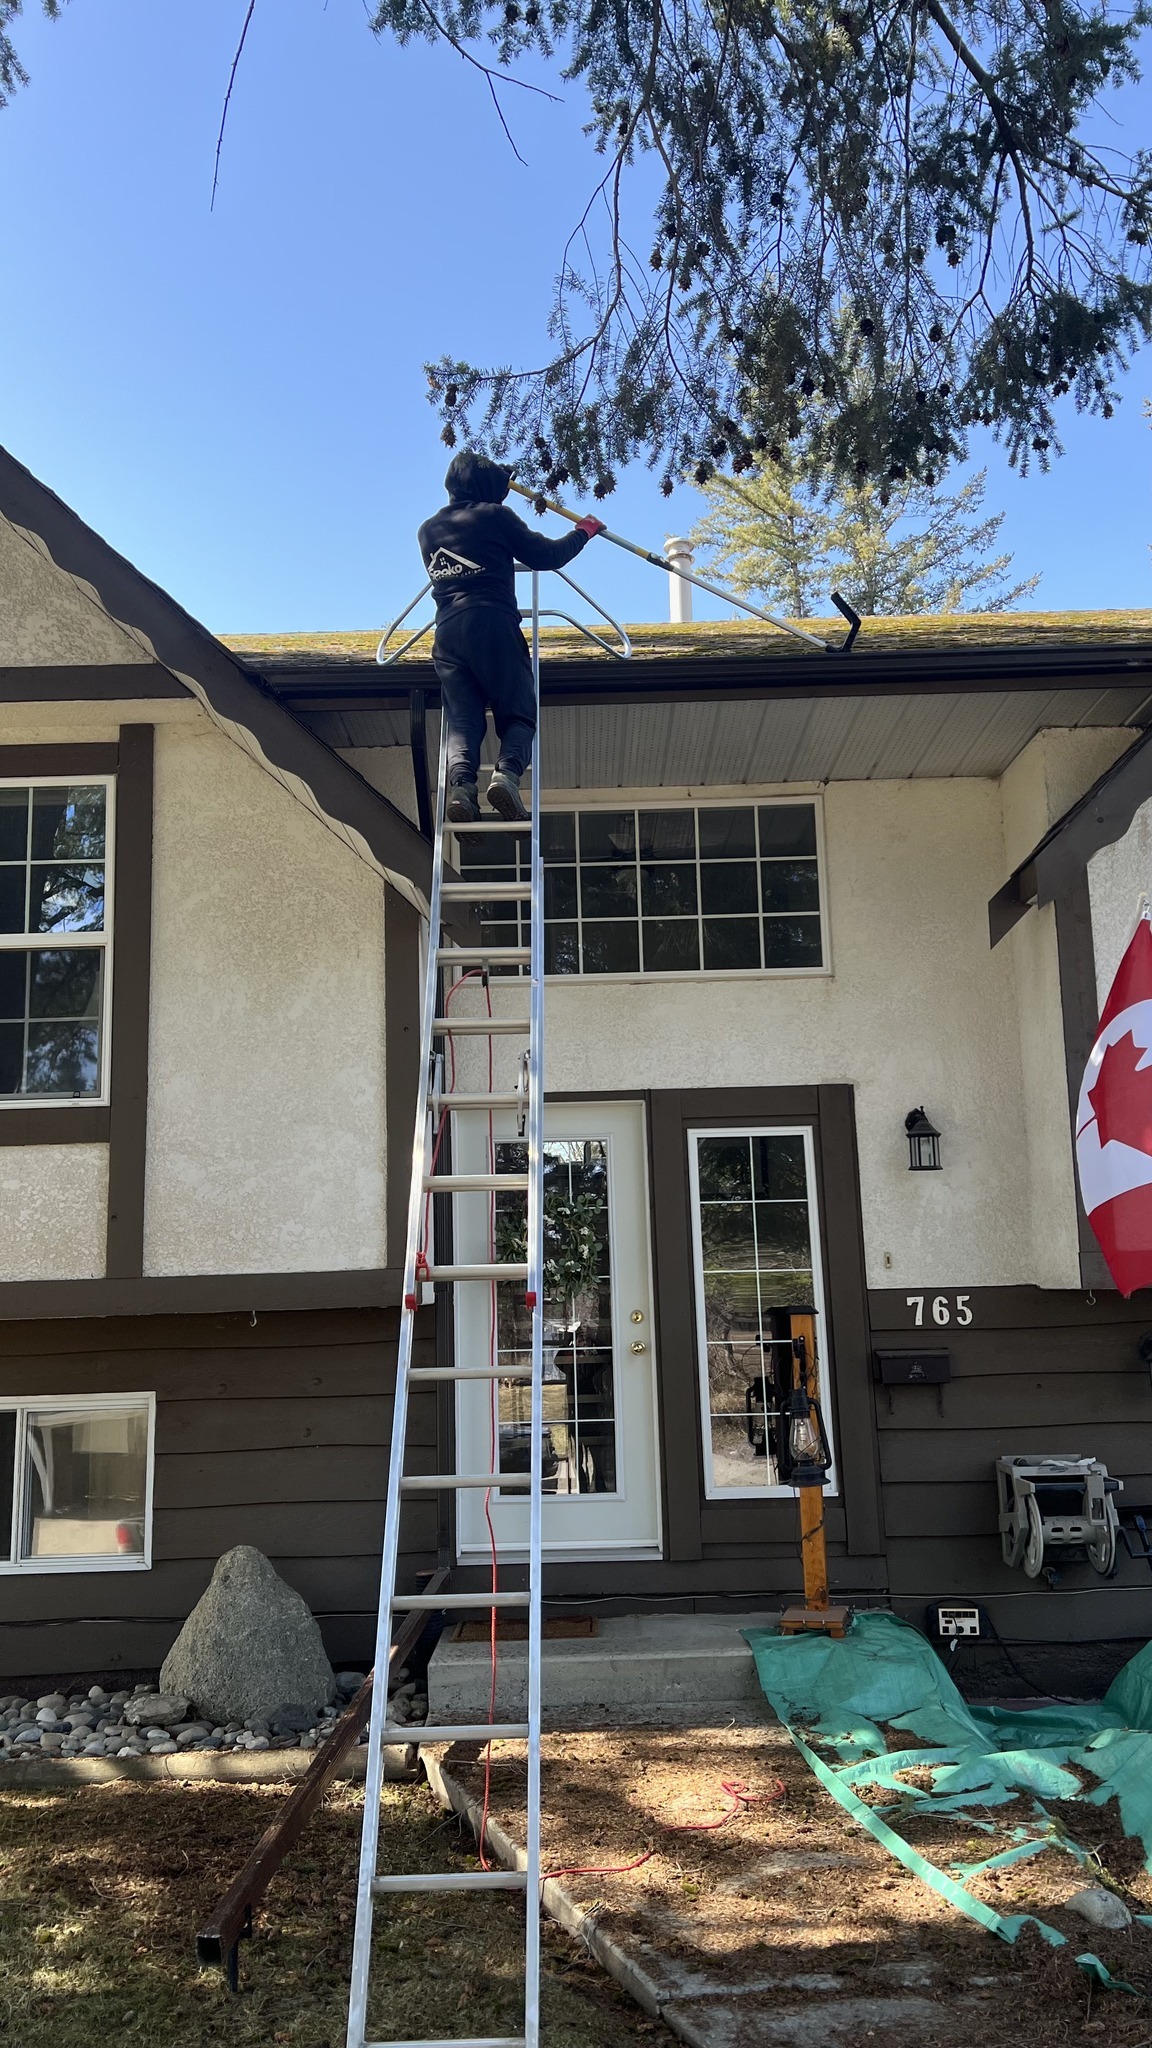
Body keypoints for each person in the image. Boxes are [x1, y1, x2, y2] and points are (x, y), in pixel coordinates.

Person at [418, 450, 605, 822]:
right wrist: (584, 531)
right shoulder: (494, 516)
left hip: (448, 635)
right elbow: (546, 555)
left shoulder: (428, 530)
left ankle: (462, 790)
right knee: (519, 711)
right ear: (487, 485)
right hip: (492, 625)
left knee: (464, 718)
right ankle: (506, 776)